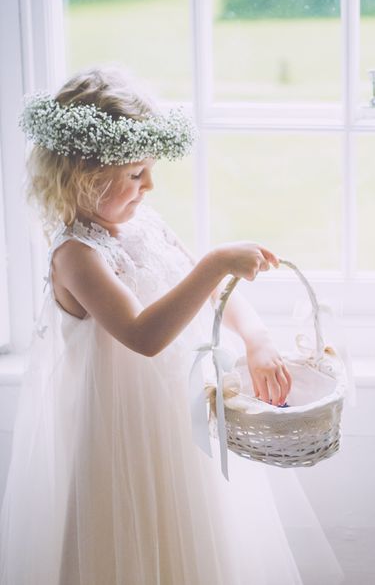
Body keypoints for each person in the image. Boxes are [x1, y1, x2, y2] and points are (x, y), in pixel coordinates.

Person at [0, 67, 341, 584]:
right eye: (136, 175)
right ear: (83, 175)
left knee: (193, 536)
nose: (150, 186)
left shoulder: (144, 222)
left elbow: (204, 291)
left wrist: (256, 337)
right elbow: (144, 335)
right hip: (119, 432)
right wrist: (215, 263)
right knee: (126, 540)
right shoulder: (76, 255)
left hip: (175, 416)